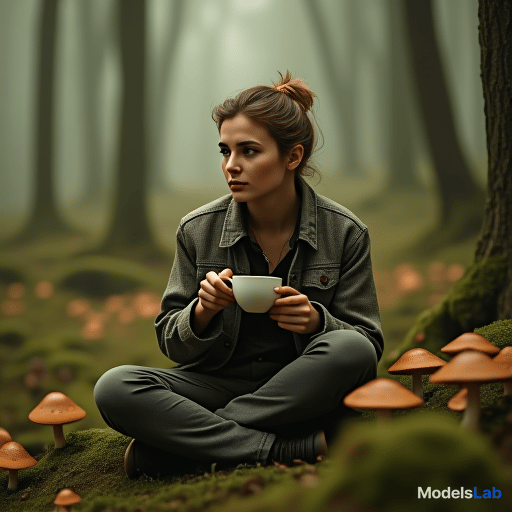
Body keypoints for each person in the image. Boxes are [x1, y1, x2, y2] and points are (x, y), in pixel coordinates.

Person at [94, 71, 383, 479]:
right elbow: (169, 340)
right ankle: (279, 448)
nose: (232, 166)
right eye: (225, 151)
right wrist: (202, 312)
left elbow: (366, 344)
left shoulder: (345, 232)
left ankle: (182, 447)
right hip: (214, 385)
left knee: (350, 349)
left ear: (292, 157)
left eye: (249, 151)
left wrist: (318, 322)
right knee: (115, 386)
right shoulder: (197, 230)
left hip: (299, 388)